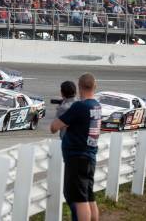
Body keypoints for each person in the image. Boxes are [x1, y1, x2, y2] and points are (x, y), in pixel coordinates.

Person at [50, 73, 101, 221]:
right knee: (89, 196)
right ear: (94, 86)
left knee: (80, 201)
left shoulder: (80, 106)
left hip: (77, 157)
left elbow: (54, 127)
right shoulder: (96, 106)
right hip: (90, 156)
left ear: (79, 87)